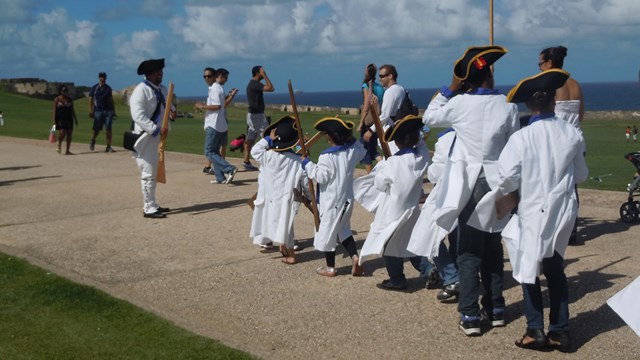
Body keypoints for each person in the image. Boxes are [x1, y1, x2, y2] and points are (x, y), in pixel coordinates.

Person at [422, 45, 519, 336]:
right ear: (489, 73)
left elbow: (429, 117)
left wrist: (451, 87)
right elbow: (513, 147)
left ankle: (470, 314)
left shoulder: (460, 104)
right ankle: (496, 307)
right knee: (492, 247)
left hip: (471, 180)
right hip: (497, 180)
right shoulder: (509, 105)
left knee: (467, 251)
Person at [496, 69, 588, 352]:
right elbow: (581, 175)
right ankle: (560, 330)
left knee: (527, 268)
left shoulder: (521, 138)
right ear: (553, 101)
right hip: (562, 209)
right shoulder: (572, 133)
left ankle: (535, 329)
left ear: (529, 104)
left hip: (534, 210)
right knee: (554, 267)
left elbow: (507, 178)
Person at [358, 115, 434, 291]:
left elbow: (379, 183)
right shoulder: (421, 157)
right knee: (409, 242)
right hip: (411, 207)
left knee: (389, 245)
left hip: (392, 211)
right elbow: (421, 145)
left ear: (397, 143)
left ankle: (397, 279)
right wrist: (416, 132)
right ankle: (428, 269)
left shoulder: (391, 163)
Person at [302, 117, 366, 277]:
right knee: (343, 230)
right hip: (346, 200)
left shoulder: (327, 157)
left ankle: (330, 267)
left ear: (330, 138)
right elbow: (362, 150)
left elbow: (321, 176)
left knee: (328, 233)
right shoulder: (351, 152)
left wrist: (307, 164)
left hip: (331, 202)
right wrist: (350, 137)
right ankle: (355, 257)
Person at [406, 128, 461, 302]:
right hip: (472, 192)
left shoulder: (445, 139)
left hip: (448, 194)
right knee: (459, 238)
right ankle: (462, 276)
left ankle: (452, 278)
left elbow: (436, 173)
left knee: (432, 236)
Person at [539, 46, 585, 245]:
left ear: (549, 63)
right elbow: (580, 115)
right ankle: (571, 230)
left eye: (540, 64)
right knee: (571, 186)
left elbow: (542, 113)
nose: (539, 68)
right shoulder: (575, 84)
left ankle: (553, 228)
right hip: (575, 139)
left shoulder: (548, 84)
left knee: (549, 186)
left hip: (555, 141)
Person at [250, 116, 305, 264]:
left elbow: (255, 150)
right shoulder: (296, 161)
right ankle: (290, 253)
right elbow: (305, 177)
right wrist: (301, 149)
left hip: (271, 197)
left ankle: (281, 246)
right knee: (286, 226)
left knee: (272, 221)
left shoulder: (267, 156)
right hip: (286, 198)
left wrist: (268, 139)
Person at [129, 58, 175, 219]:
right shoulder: (141, 90)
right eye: (157, 72)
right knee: (148, 172)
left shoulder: (161, 89)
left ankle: (153, 203)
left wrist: (172, 112)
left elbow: (167, 105)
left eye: (161, 71)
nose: (160, 74)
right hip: (145, 138)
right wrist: (155, 129)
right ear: (148, 74)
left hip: (157, 137)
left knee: (154, 172)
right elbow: (137, 115)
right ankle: (148, 207)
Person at [195, 68, 238, 185]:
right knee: (215, 152)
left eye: (208, 76)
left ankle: (230, 168)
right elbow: (223, 105)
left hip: (213, 124)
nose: (206, 78)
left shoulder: (214, 88)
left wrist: (202, 106)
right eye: (204, 76)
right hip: (220, 125)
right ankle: (220, 177)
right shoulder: (218, 88)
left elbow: (217, 106)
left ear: (215, 76)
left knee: (209, 152)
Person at [363, 64, 405, 154]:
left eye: (382, 76)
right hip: (400, 129)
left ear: (390, 76)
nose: (379, 79)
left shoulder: (390, 91)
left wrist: (371, 130)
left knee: (392, 159)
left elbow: (385, 115)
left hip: (391, 133)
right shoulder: (401, 89)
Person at [244, 65, 275, 170]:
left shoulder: (252, 84)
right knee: (267, 136)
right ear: (258, 72)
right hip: (257, 115)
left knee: (250, 138)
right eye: (262, 71)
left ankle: (246, 160)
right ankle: (268, 161)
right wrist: (265, 76)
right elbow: (271, 88)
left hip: (253, 114)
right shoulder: (255, 84)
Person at [358, 64, 384, 173]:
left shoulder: (366, 85)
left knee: (365, 150)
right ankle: (384, 165)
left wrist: (361, 122)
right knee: (373, 149)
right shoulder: (380, 87)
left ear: (368, 72)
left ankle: (369, 177)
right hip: (377, 120)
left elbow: (366, 104)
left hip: (368, 122)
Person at [88, 72, 117, 152]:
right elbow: (90, 99)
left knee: (108, 128)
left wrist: (114, 111)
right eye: (101, 77)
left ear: (106, 78)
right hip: (98, 110)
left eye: (104, 77)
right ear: (99, 78)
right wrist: (90, 110)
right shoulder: (95, 87)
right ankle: (93, 140)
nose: (103, 78)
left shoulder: (108, 88)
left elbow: (111, 100)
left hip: (108, 111)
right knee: (96, 129)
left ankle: (108, 146)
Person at [52, 85, 78, 155]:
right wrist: (54, 120)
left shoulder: (70, 100)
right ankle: (59, 144)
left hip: (69, 118)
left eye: (66, 91)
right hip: (60, 118)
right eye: (64, 91)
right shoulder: (57, 99)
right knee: (62, 133)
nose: (65, 92)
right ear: (61, 92)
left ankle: (67, 150)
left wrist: (75, 119)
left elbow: (72, 109)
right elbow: (54, 110)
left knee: (69, 134)